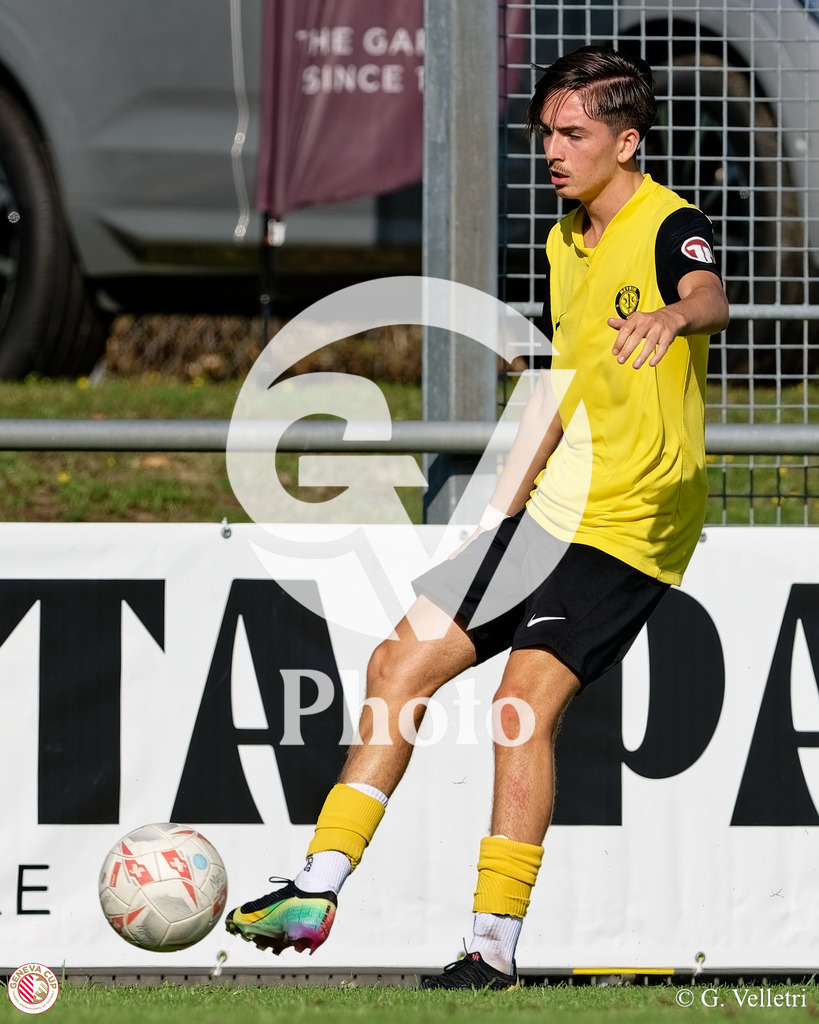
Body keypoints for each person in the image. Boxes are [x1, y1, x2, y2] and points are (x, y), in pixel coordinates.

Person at [225, 44, 730, 990]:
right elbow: (557, 387)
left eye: (572, 134)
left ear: (626, 142)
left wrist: (676, 317)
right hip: (556, 508)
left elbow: (709, 294)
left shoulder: (671, 222)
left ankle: (489, 948)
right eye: (544, 133)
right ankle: (316, 888)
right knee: (395, 661)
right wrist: (496, 517)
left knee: (515, 707)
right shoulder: (559, 241)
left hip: (635, 521)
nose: (551, 150)